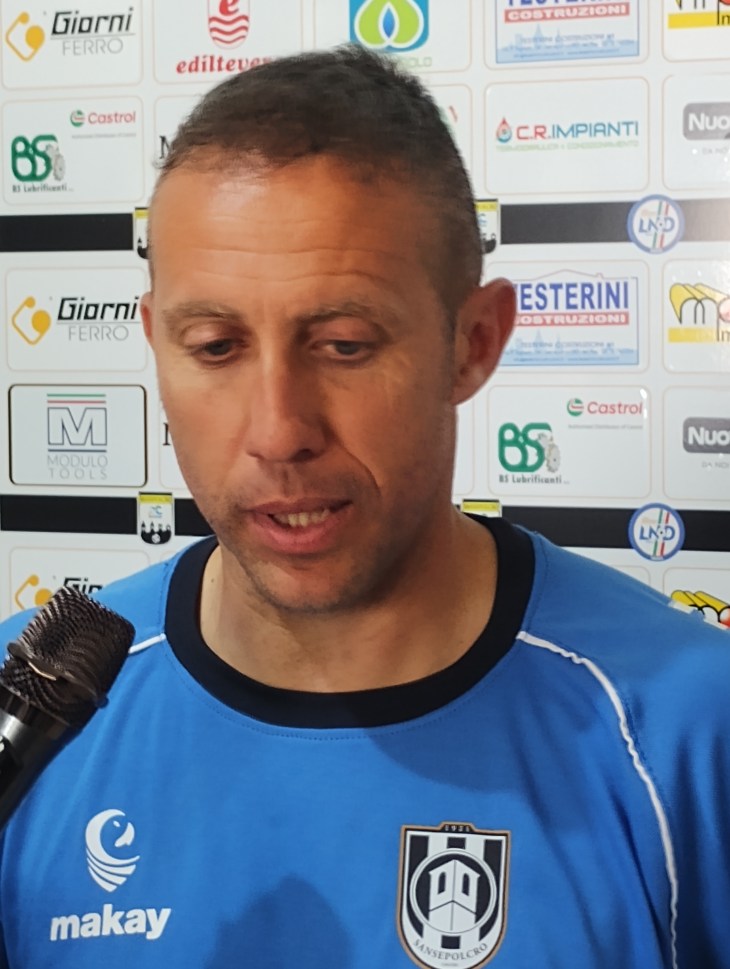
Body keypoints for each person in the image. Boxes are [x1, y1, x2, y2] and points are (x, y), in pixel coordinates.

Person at [0, 46, 728, 969]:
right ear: (156, 343)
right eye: (216, 346)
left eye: (344, 344)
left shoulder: (690, 726)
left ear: (473, 343)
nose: (278, 431)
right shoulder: (30, 714)